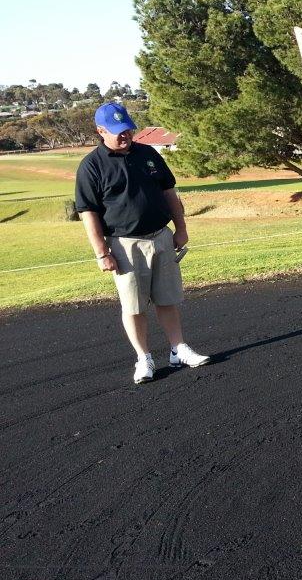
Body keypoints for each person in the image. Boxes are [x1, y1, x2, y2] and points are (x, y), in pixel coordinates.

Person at [74, 103, 209, 384]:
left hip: (161, 237)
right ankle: (144, 358)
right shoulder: (91, 166)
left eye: (128, 129)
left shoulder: (147, 153)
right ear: (100, 131)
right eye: (117, 132)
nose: (125, 136)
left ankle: (178, 349)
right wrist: (102, 253)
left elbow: (169, 192)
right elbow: (89, 214)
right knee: (134, 306)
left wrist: (180, 228)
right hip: (124, 244)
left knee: (167, 298)